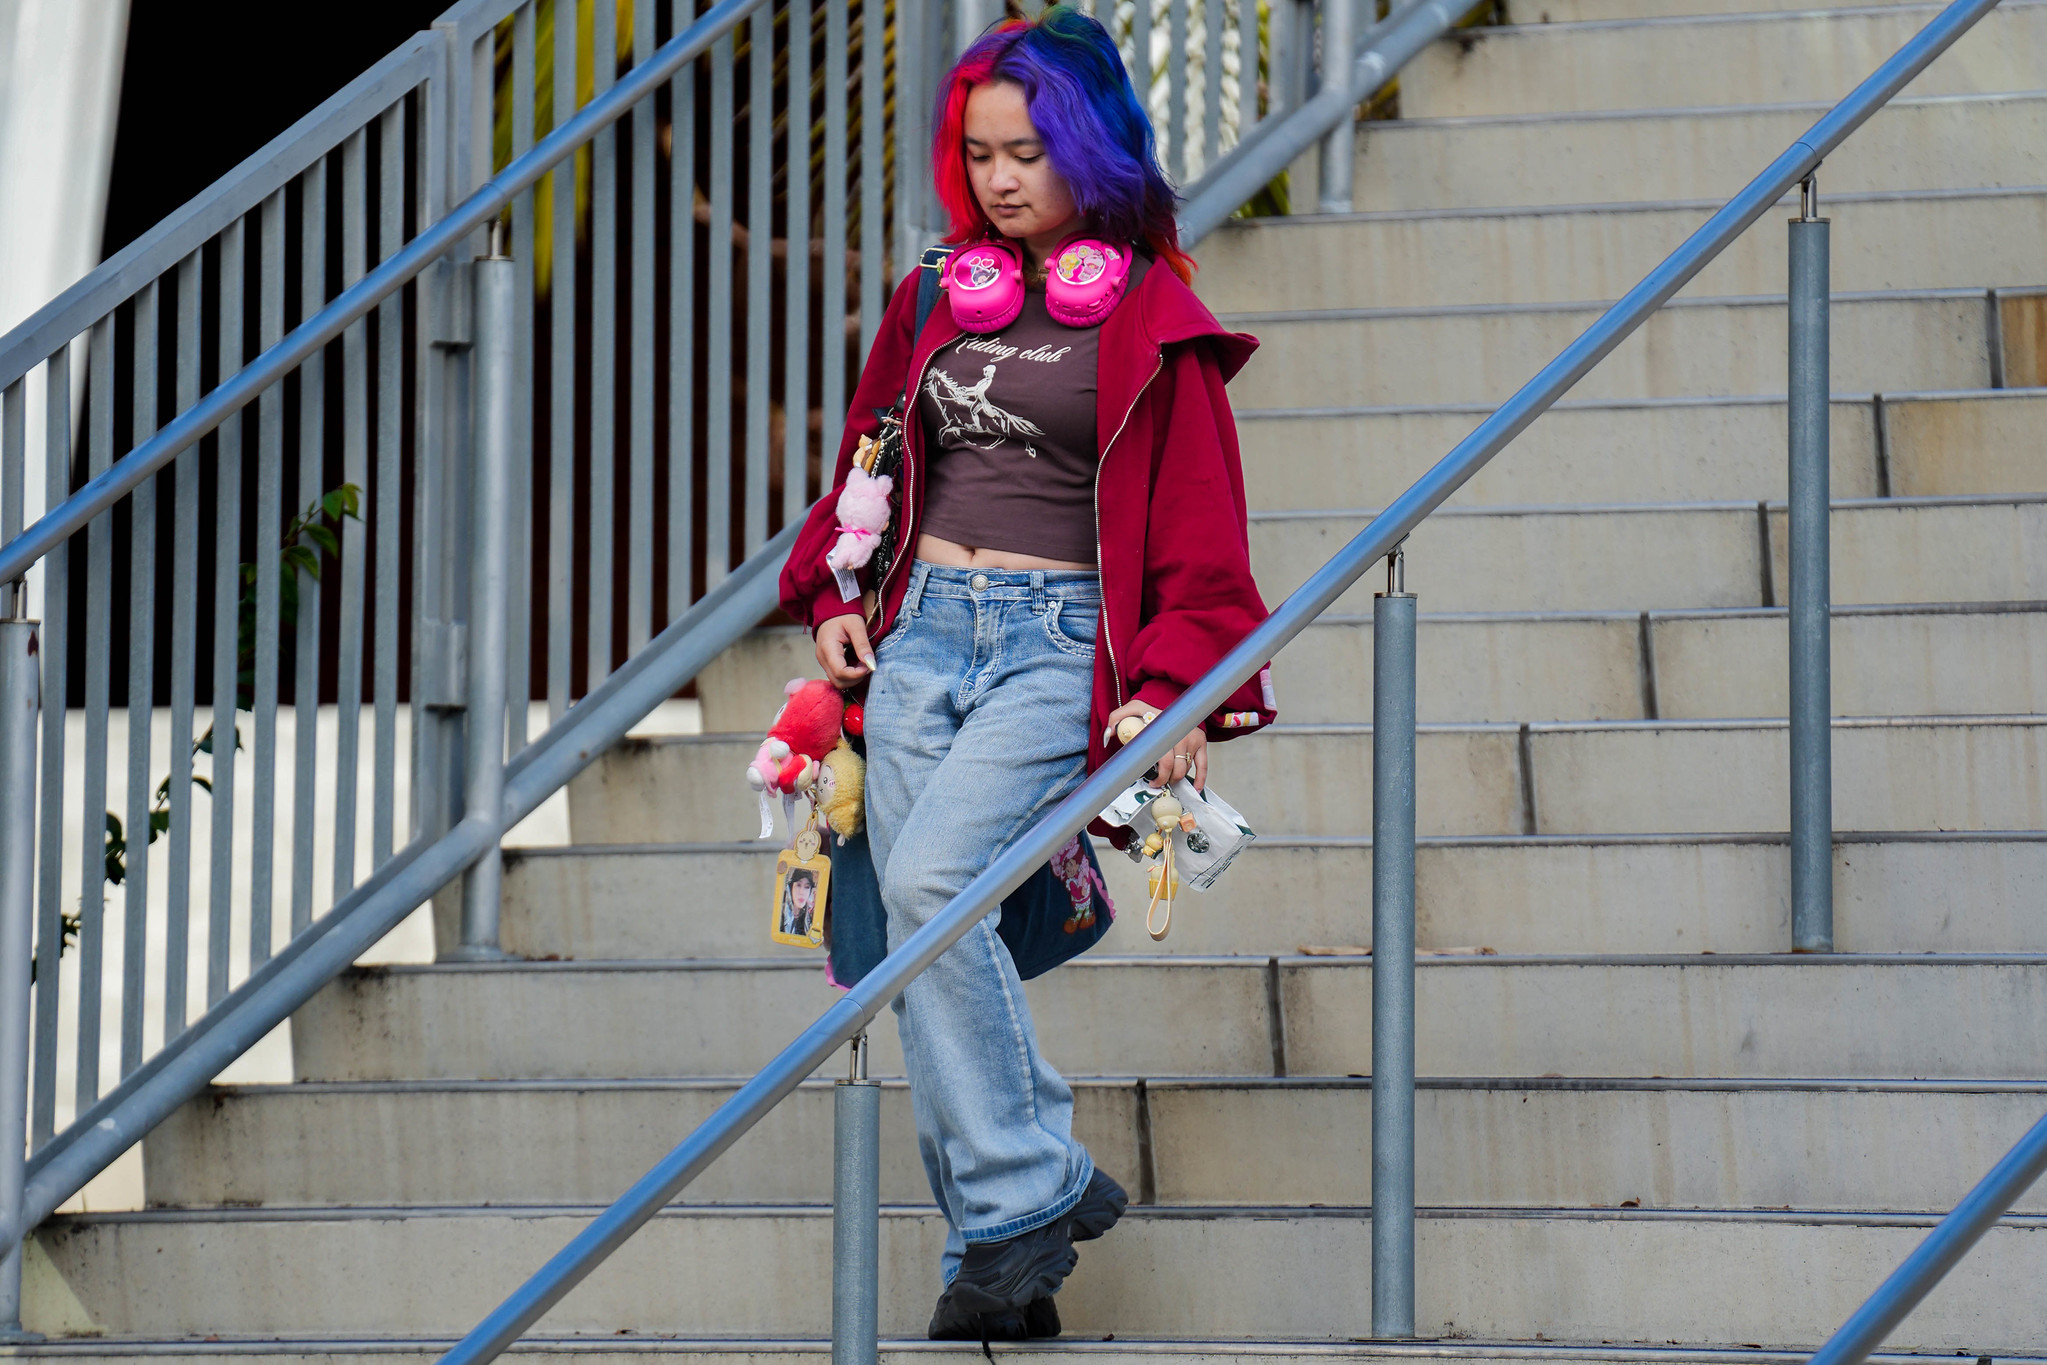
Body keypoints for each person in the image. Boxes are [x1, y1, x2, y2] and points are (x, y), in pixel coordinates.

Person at [778, 6, 1274, 1341]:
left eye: (1027, 156)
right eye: (980, 154)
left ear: (1089, 153)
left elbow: (1202, 528)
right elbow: (870, 461)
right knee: (917, 935)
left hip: (1056, 646)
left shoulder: (1153, 316)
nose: (998, 182)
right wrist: (836, 590)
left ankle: (1028, 1181)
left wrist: (1172, 683)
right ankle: (998, 1255)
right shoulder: (940, 294)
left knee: (938, 888)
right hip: (922, 628)